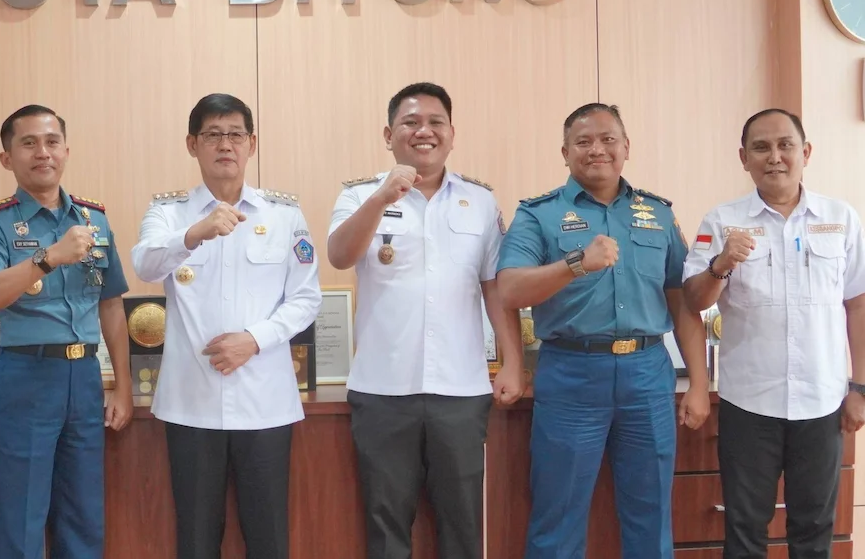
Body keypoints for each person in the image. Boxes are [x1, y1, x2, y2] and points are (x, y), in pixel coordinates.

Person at [495, 102, 710, 559]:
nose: (597, 149)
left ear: (626, 147)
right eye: (583, 141)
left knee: (651, 515)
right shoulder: (538, 214)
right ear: (565, 152)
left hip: (647, 374)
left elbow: (682, 302)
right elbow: (509, 289)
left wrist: (698, 383)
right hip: (571, 372)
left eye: (608, 139)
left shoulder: (658, 214)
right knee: (558, 516)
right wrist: (577, 263)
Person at [325, 82, 524, 559]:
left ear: (452, 134)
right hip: (383, 390)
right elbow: (339, 255)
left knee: (463, 525)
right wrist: (381, 198)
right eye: (410, 122)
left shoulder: (480, 201)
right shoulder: (359, 195)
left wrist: (514, 362)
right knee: (386, 525)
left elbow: (495, 288)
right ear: (388, 134)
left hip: (460, 390)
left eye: (436, 122)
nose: (424, 131)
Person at [130, 93, 321, 559]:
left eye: (235, 134)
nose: (225, 144)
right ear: (192, 144)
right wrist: (194, 233)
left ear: (251, 144)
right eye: (212, 134)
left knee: (268, 537)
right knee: (196, 539)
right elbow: (145, 265)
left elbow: (306, 298)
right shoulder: (168, 212)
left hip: (264, 403)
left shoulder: (284, 215)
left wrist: (254, 340)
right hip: (191, 404)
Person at [681, 108, 865, 558]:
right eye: (761, 147)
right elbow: (694, 300)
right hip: (750, 403)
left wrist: (860, 387)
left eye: (785, 145)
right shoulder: (722, 221)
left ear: (806, 152)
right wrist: (721, 264)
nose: (775, 157)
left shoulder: (841, 218)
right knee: (745, 529)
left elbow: (858, 304)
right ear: (744, 158)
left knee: (814, 529)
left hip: (822, 402)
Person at [0, 104, 133, 559]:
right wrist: (48, 257)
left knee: (83, 511)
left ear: (66, 151)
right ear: (7, 158)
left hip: (85, 377)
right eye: (29, 143)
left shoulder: (94, 219)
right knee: (22, 511)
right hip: (27, 374)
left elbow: (111, 303)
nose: (43, 152)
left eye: (52, 142)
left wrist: (122, 385)